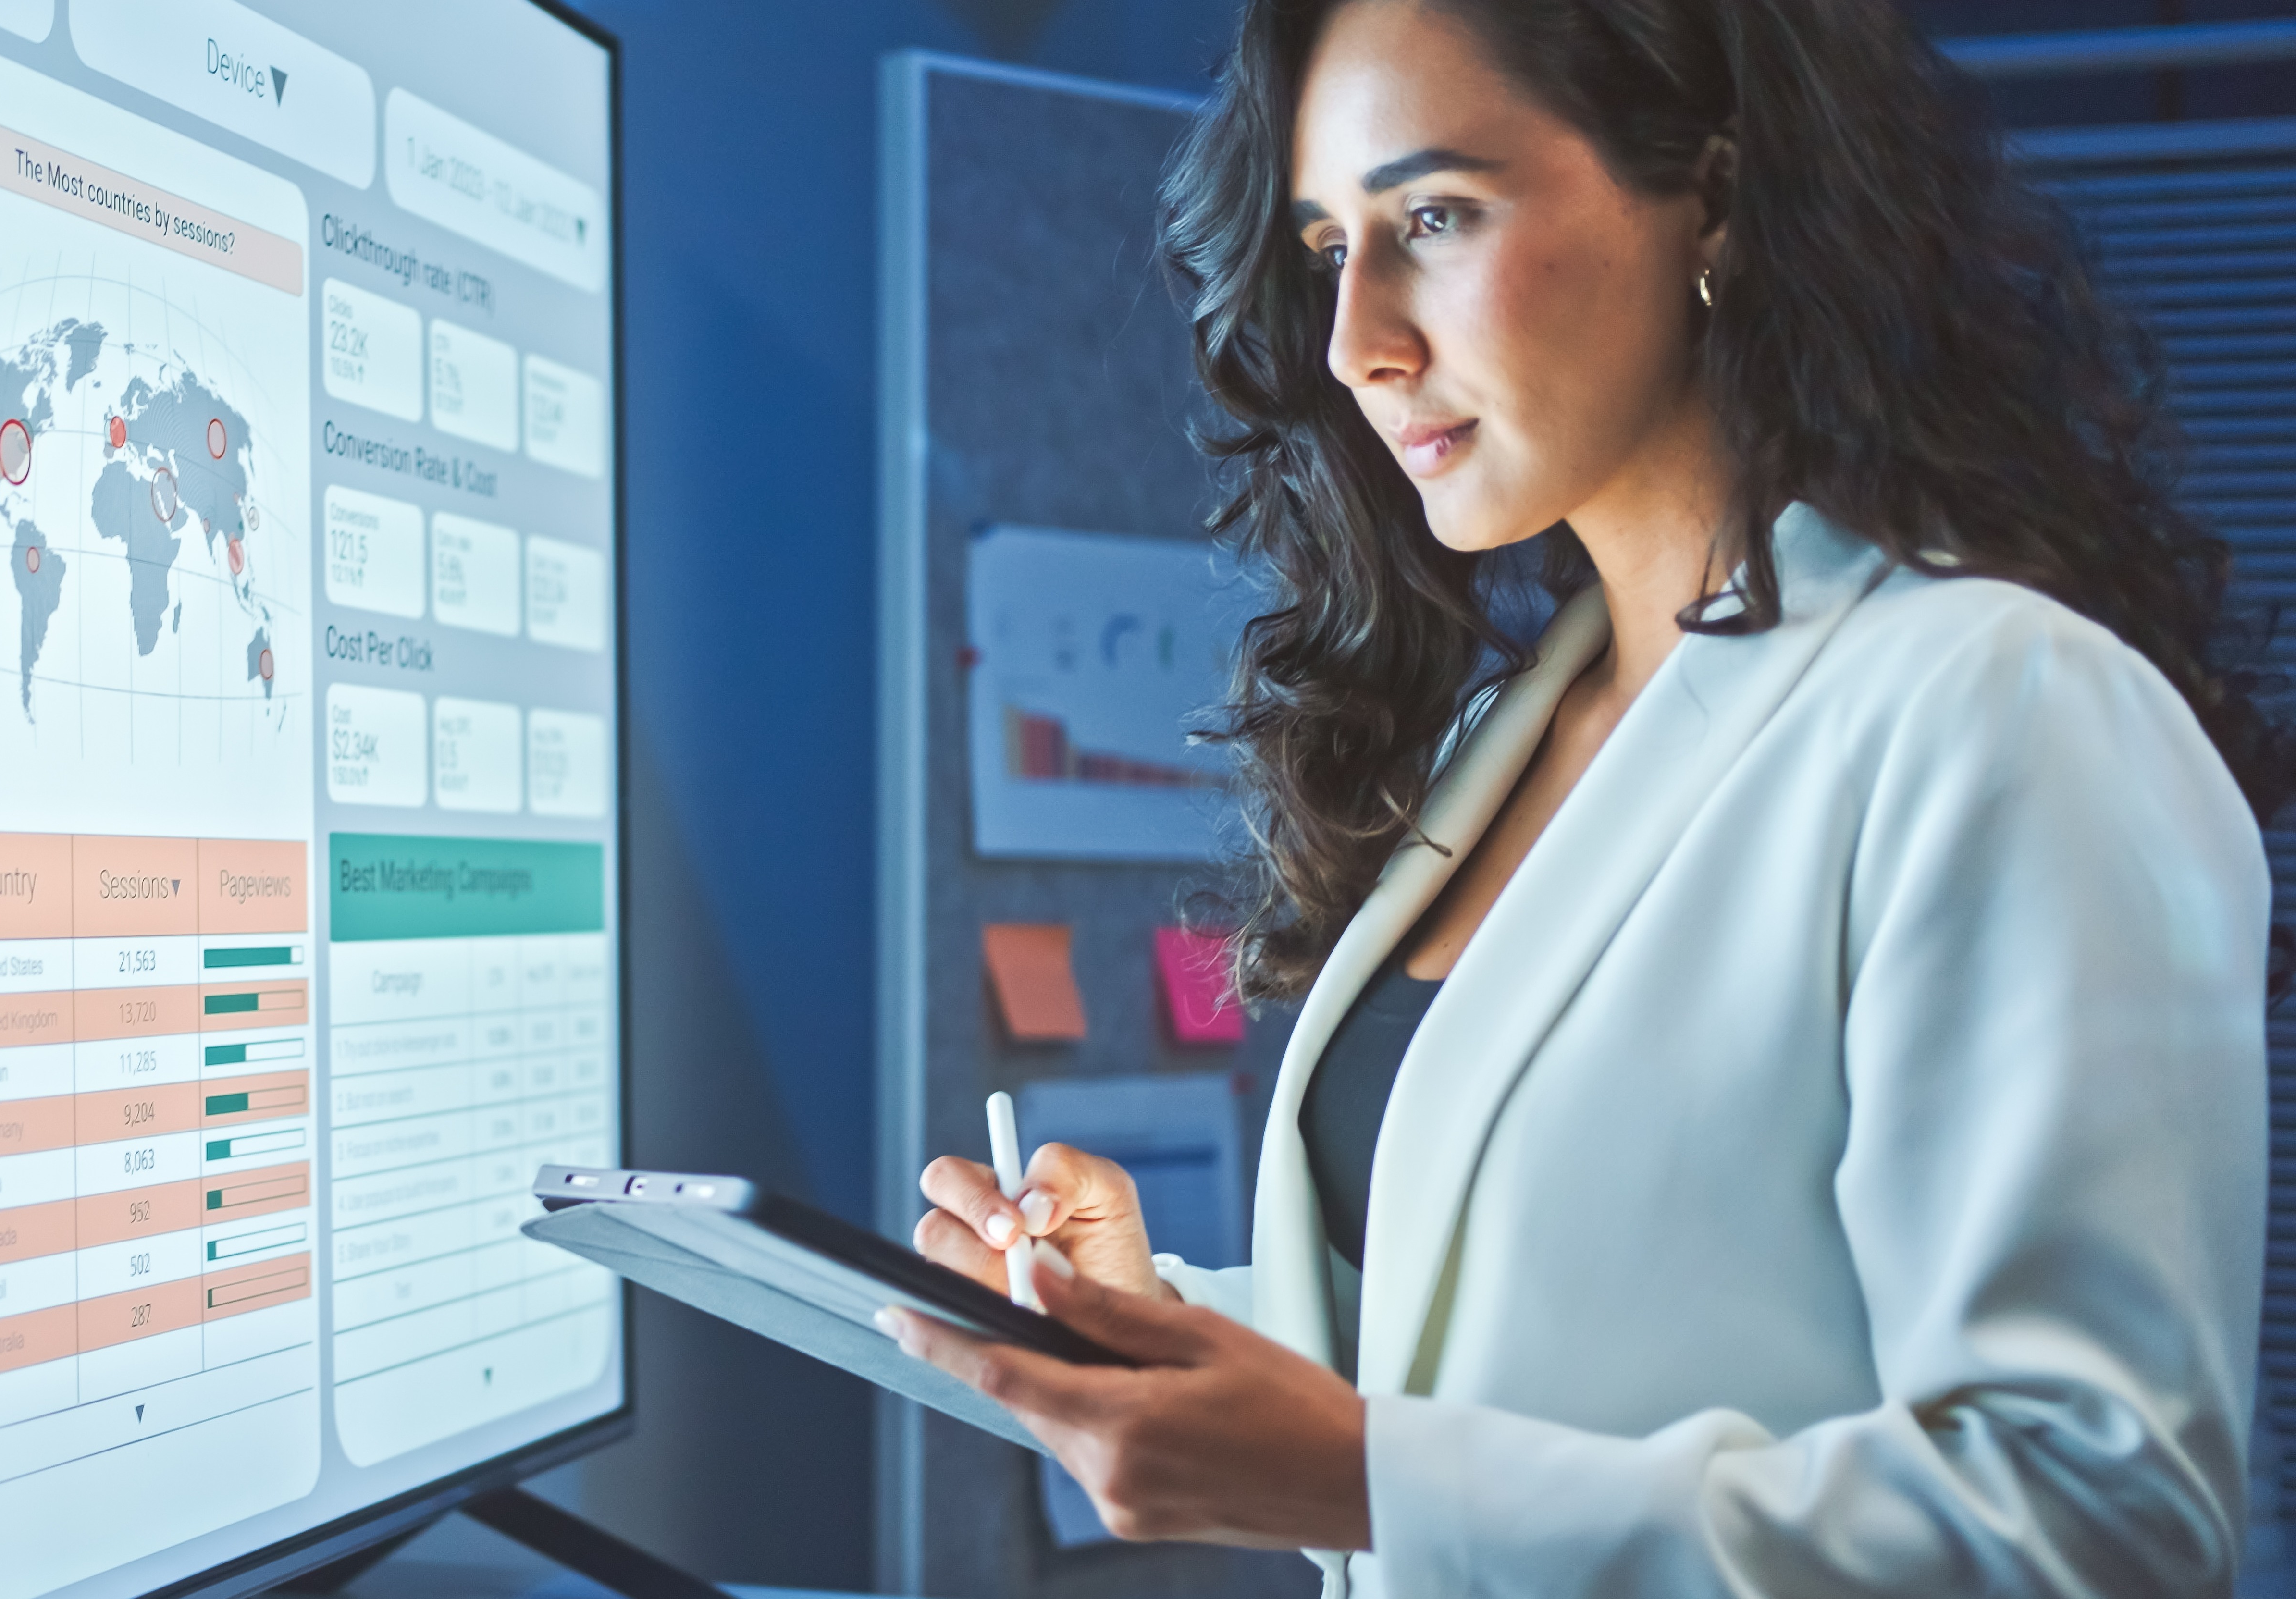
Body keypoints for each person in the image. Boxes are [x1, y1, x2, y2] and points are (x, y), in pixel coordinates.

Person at [884, 0, 2288, 1593]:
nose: (1359, 344)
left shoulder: (2000, 708)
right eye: (1332, 246)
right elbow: (1531, 1333)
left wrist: (1369, 1481)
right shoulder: (1512, 728)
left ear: (1718, 198)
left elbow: (2096, 1521)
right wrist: (1174, 1329)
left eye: (1434, 217)